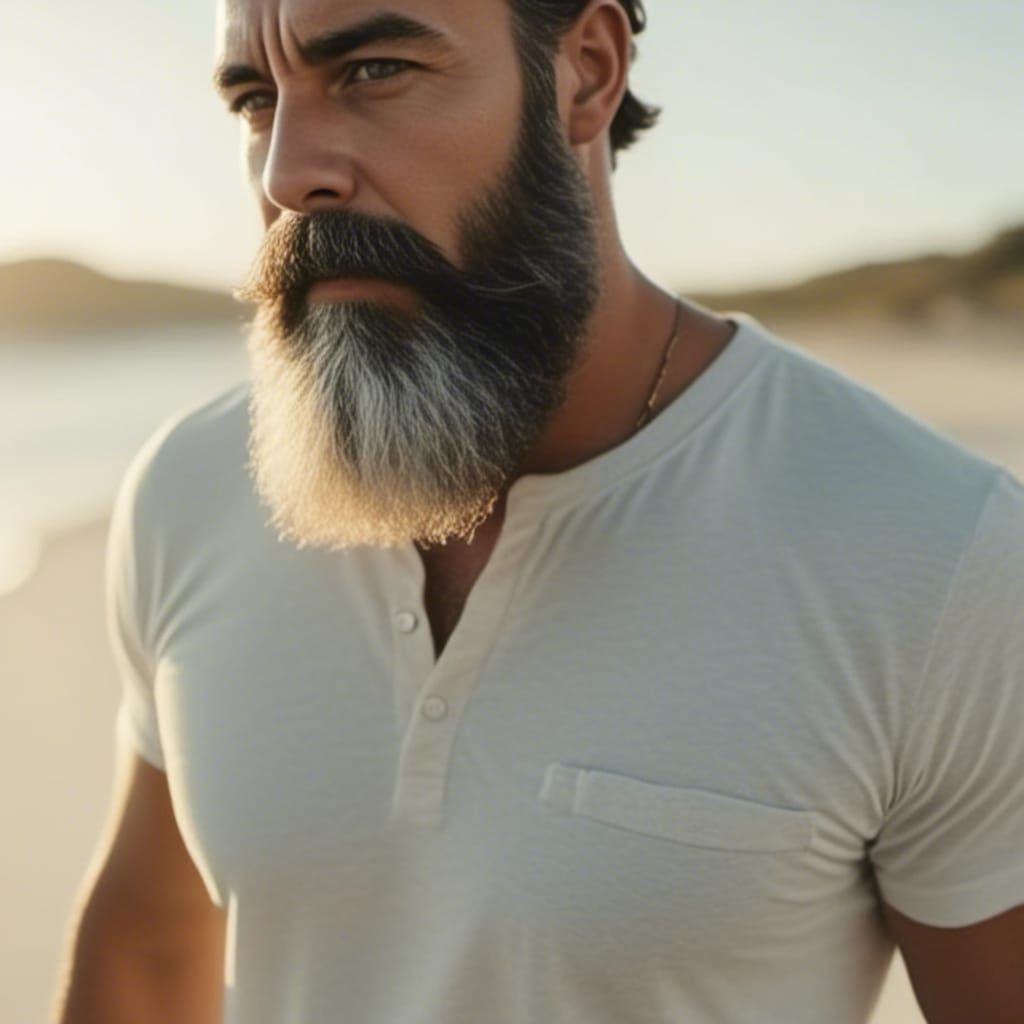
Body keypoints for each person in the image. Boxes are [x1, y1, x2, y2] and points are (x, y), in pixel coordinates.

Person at [54, 1, 1024, 1022]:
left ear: (586, 73)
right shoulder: (193, 484)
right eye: (256, 98)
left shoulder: (939, 552)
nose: (287, 174)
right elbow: (150, 953)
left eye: (375, 70)